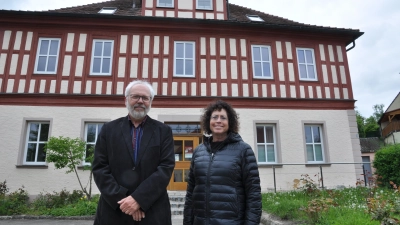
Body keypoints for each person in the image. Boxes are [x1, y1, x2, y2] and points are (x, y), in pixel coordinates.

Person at [92, 80, 175, 225]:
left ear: (150, 101)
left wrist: (139, 199)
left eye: (145, 98)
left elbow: (165, 168)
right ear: (126, 99)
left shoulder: (164, 131)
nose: (140, 101)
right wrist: (125, 202)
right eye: (135, 96)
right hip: (114, 210)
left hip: (153, 211)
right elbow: (100, 168)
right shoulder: (108, 129)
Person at [183, 100, 262, 225]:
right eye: (215, 117)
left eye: (223, 118)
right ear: (209, 121)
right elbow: (190, 193)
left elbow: (254, 194)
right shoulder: (198, 151)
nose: (218, 121)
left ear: (230, 122)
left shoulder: (243, 150)